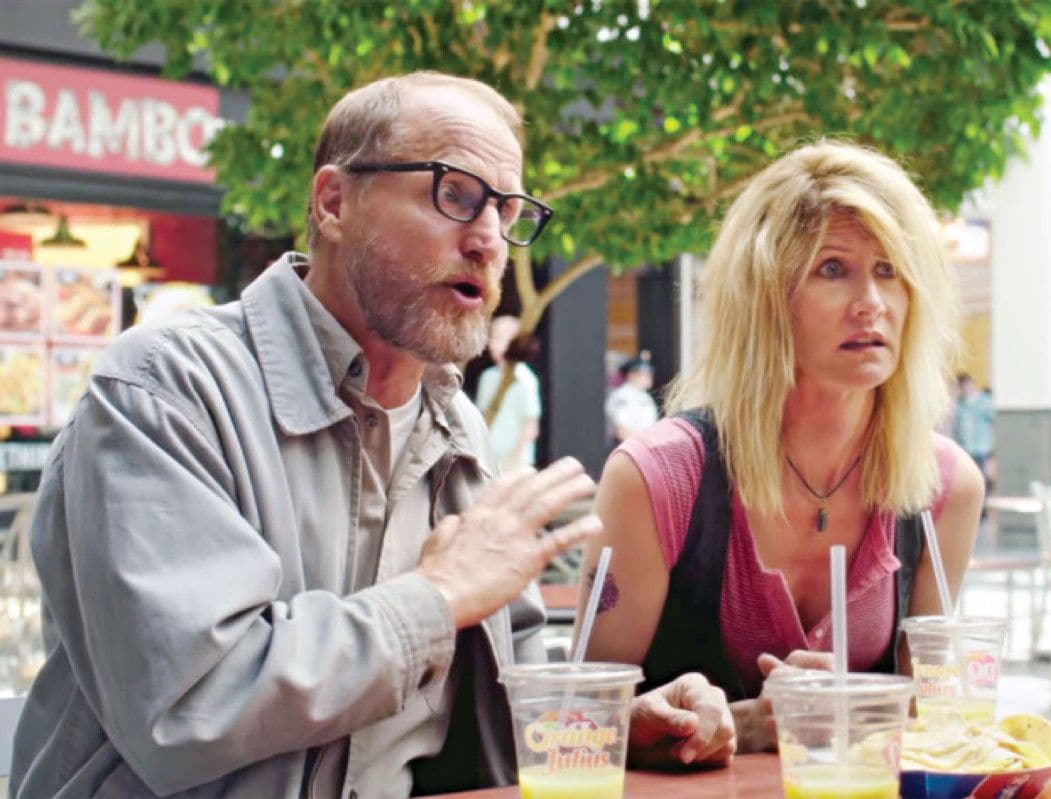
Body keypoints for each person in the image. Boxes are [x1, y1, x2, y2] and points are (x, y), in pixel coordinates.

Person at [11, 72, 732, 798]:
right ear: (334, 203)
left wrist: (607, 728)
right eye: (456, 194)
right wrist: (437, 596)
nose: (489, 240)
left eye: (508, 211)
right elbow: (191, 703)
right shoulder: (165, 389)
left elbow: (494, 713)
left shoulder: (457, 426)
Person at [579, 140, 985, 752]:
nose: (871, 304)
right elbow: (577, 721)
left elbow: (934, 719)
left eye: (889, 271)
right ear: (765, 299)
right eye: (833, 269)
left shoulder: (944, 486)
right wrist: (746, 725)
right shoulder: (656, 477)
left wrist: (872, 707)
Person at [474, 315, 541, 473]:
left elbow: (530, 427)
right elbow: (480, 418)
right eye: (492, 338)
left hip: (516, 465)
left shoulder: (525, 380)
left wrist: (512, 459)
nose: (492, 345)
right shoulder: (487, 377)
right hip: (488, 463)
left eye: (499, 339)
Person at [605, 352, 660, 446]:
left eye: (650, 374)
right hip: (629, 447)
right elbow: (622, 431)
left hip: (645, 446)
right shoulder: (622, 395)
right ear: (631, 375)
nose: (649, 377)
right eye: (645, 374)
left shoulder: (646, 397)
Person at [951, 372, 995, 489]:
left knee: (982, 481)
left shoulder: (985, 402)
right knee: (969, 481)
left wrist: (992, 451)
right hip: (965, 449)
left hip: (981, 448)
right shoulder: (960, 404)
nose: (965, 389)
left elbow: (994, 425)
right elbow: (956, 427)